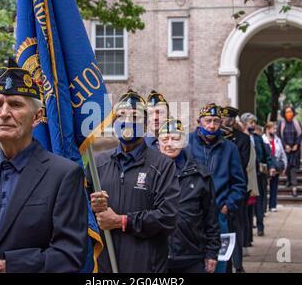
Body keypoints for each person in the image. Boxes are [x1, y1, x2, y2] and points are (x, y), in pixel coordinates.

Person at [0, 60, 89, 272]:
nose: (4, 113)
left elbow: (69, 254)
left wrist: (6, 266)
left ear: (37, 117)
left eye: (15, 104)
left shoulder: (63, 175)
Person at [88, 89, 180, 273]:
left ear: (145, 125)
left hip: (147, 267)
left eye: (135, 116)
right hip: (106, 265)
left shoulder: (162, 165)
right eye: (121, 116)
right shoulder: (97, 163)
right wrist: (91, 206)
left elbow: (168, 217)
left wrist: (122, 221)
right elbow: (76, 211)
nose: (127, 121)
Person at [187, 103, 246, 273]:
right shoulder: (187, 143)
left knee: (218, 265)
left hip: (219, 214)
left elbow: (239, 183)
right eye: (208, 121)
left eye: (216, 121)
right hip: (192, 215)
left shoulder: (230, 148)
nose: (212, 125)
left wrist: (228, 206)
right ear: (199, 121)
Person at [157, 118, 220, 273]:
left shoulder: (200, 175)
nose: (170, 143)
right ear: (158, 143)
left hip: (191, 256)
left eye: (175, 138)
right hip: (157, 256)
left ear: (184, 142)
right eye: (165, 139)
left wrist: (212, 252)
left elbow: (211, 217)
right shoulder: (149, 174)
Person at [221, 106, 251, 271]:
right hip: (219, 189)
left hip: (236, 189)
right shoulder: (216, 138)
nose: (224, 121)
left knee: (236, 227)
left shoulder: (242, 139)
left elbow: (242, 164)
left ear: (232, 120)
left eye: (227, 118)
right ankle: (223, 263)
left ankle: (238, 264)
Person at [240, 113, 275, 237]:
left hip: (259, 175)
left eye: (254, 122)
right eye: (251, 122)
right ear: (244, 124)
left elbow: (268, 155)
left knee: (260, 202)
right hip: (246, 177)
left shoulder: (259, 138)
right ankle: (248, 232)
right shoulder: (240, 138)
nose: (253, 125)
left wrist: (271, 167)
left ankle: (260, 227)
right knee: (248, 205)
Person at [277, 106, 302, 197]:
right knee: (287, 166)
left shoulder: (296, 123)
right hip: (285, 149)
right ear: (284, 114)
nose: (289, 114)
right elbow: (279, 136)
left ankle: (294, 187)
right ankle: (288, 180)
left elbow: (300, 135)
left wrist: (296, 145)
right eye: (287, 112)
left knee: (293, 168)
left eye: (290, 112)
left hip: (295, 150)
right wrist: (285, 146)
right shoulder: (281, 124)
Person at [263, 122, 287, 212]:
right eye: (274, 128)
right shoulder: (263, 139)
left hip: (276, 165)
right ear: (268, 129)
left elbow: (282, 154)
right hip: (266, 166)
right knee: (264, 187)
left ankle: (273, 205)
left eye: (276, 129)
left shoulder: (277, 140)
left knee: (274, 186)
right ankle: (263, 206)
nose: (275, 130)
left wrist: (284, 166)